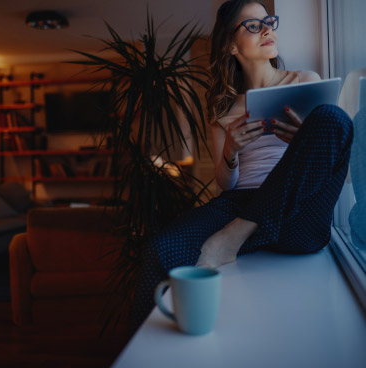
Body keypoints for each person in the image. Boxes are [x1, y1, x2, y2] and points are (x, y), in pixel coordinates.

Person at [129, 0, 353, 332]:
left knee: (333, 119)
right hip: (240, 202)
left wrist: (304, 145)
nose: (267, 29)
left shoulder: (306, 80)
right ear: (232, 45)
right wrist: (231, 152)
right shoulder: (224, 109)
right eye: (252, 25)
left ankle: (237, 233)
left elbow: (339, 171)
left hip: (298, 215)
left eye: (269, 21)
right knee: (160, 251)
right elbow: (225, 185)